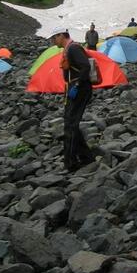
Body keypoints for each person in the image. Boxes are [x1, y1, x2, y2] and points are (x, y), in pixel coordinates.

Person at [50, 26, 95, 172]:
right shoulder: (69, 48)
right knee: (71, 123)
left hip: (79, 89)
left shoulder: (73, 48)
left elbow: (85, 67)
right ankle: (87, 158)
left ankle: (70, 163)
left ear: (62, 36)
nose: (53, 41)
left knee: (70, 124)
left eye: (54, 37)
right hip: (75, 88)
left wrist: (76, 85)